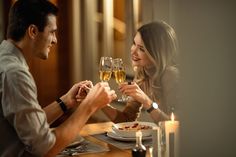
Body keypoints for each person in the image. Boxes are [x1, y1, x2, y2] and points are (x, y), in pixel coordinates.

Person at [0, 0, 116, 156]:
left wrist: (66, 101)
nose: (55, 40)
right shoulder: (15, 73)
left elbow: (31, 126)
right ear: (33, 31)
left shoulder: (5, 58)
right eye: (52, 32)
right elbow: (45, 148)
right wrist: (89, 106)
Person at [102, 21, 179, 124]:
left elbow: (175, 125)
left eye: (141, 49)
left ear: (156, 53)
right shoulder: (142, 72)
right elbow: (126, 118)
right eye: (134, 43)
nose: (133, 51)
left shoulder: (171, 75)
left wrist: (146, 101)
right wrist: (99, 103)